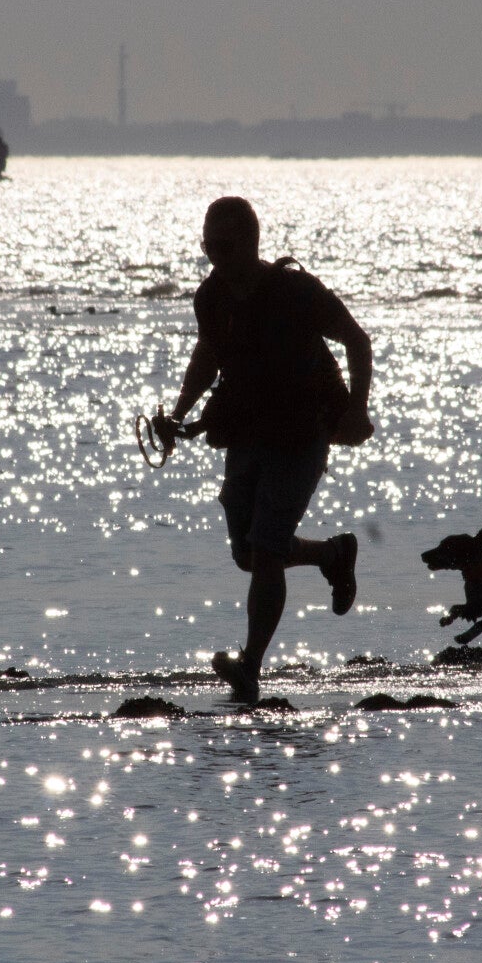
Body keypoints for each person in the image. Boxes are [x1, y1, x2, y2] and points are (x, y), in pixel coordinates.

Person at [156, 196, 373, 703]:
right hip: (247, 432)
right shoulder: (211, 297)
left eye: (225, 246)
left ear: (251, 243)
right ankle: (333, 554)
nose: (215, 256)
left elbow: (357, 341)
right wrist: (180, 412)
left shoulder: (296, 291)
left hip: (302, 433)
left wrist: (356, 409)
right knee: (249, 554)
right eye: (208, 247)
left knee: (268, 547)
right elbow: (208, 354)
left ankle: (250, 666)